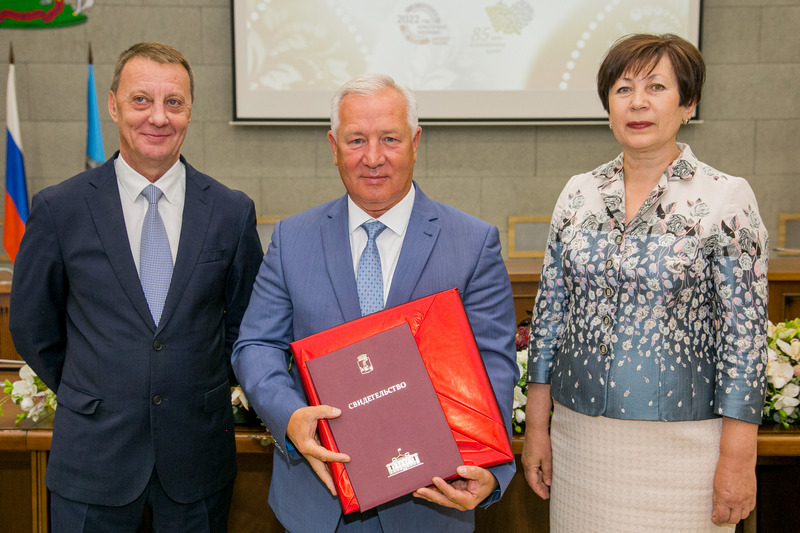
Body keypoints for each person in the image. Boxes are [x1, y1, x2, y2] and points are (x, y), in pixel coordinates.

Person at [232, 73, 518, 532]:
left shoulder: (471, 243)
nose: (372, 157)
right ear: (333, 146)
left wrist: (492, 466)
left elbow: (493, 364)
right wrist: (290, 417)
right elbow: (256, 346)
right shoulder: (292, 239)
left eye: (389, 138)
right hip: (317, 502)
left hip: (431, 500)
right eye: (356, 140)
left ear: (415, 142)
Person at [9, 42, 263, 532]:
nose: (158, 117)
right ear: (113, 105)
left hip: (197, 458)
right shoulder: (60, 209)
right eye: (141, 99)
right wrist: (92, 390)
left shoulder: (230, 211)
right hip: (92, 457)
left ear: (190, 110)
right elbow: (32, 326)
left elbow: (244, 325)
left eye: (174, 102)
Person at [522, 33, 768, 532]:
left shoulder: (725, 198)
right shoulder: (579, 193)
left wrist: (739, 458)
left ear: (688, 103)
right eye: (623, 88)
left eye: (656, 87)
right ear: (608, 105)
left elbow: (744, 340)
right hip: (579, 441)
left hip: (687, 449)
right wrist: (537, 429)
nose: (638, 102)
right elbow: (549, 318)